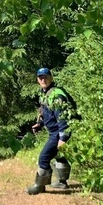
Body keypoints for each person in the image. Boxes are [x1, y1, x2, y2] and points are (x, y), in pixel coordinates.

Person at [27, 67, 73, 195]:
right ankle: (62, 182)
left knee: (43, 158)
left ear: (51, 78)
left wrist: (63, 138)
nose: (43, 79)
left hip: (59, 132)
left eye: (46, 77)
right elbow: (47, 113)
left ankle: (39, 186)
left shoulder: (56, 94)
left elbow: (62, 117)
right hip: (56, 131)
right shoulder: (45, 93)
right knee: (59, 155)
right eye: (40, 78)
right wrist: (40, 124)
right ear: (37, 80)